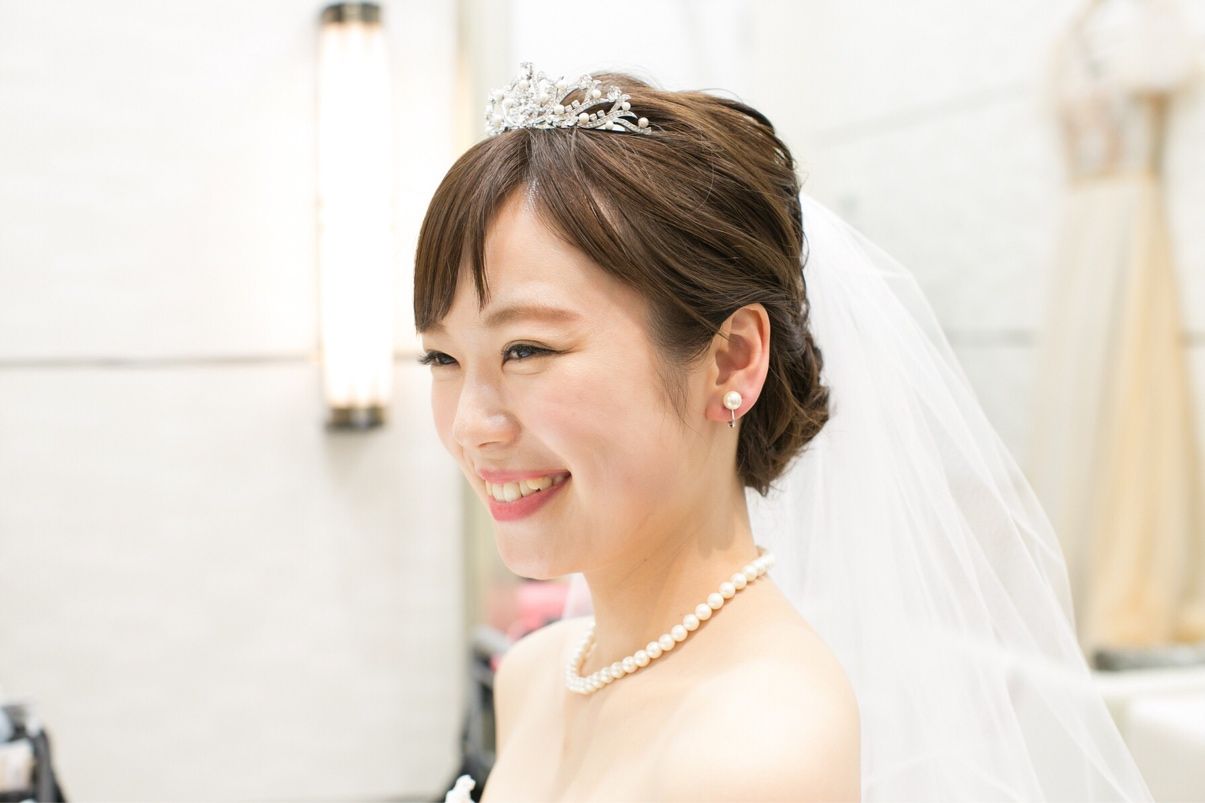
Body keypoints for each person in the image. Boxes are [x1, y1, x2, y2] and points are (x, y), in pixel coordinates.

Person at [423, 63, 1153, 801]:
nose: (471, 426)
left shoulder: (757, 748)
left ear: (732, 360)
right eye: (442, 358)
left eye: (527, 350)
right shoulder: (533, 674)